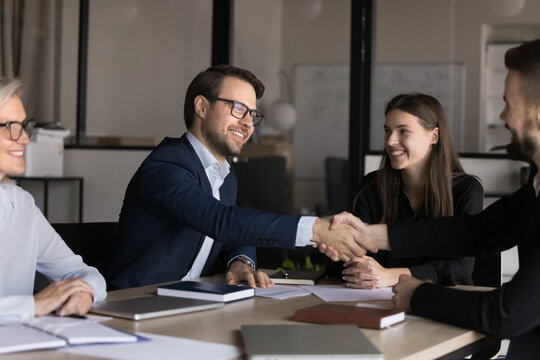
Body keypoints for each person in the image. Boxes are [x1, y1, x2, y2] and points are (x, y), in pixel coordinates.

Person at [321, 39, 540, 359]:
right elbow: (472, 232)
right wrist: (370, 235)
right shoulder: (534, 189)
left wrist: (417, 293)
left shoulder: (466, 188)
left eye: (509, 103)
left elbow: (507, 314)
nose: (503, 115)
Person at [108, 65, 372, 290]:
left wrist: (241, 262)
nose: (248, 123)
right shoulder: (166, 165)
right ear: (201, 106)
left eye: (253, 114)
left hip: (192, 301)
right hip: (138, 302)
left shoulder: (225, 176)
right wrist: (315, 230)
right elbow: (220, 221)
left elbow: (234, 234)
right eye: (237, 108)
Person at [340, 93, 483, 289]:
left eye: (403, 131)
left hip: (444, 303)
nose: (390, 141)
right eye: (387, 131)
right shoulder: (371, 186)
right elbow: (356, 254)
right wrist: (358, 264)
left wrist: (391, 276)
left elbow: (460, 268)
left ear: (434, 136)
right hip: (376, 301)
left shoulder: (466, 190)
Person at [0, 78, 107, 323]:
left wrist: (84, 291)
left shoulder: (22, 205)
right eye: (11, 126)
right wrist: (34, 304)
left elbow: (84, 273)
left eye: (23, 126)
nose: (25, 139)